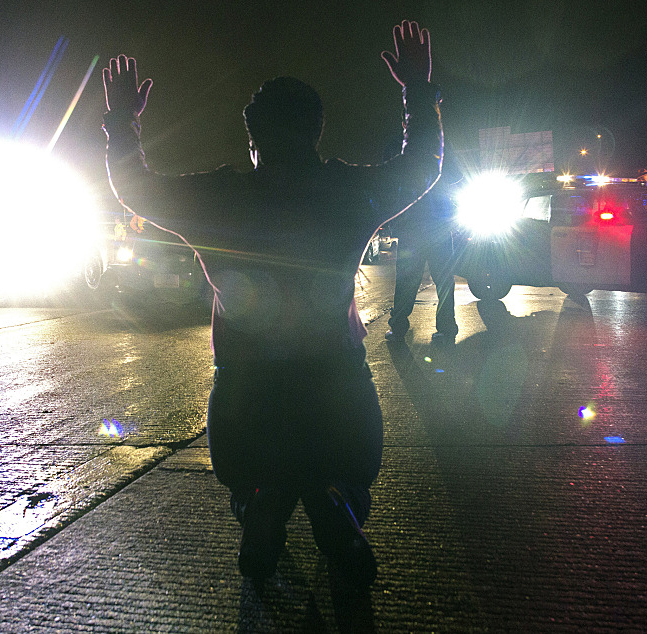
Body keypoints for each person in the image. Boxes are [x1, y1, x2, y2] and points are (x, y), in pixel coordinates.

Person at [101, 20, 442, 589]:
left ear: (251, 138)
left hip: (244, 391)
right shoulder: (348, 193)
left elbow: (134, 186)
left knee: (252, 478)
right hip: (334, 382)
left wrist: (121, 122)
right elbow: (421, 166)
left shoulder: (219, 197)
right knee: (347, 473)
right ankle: (338, 505)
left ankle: (259, 503)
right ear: (317, 132)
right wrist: (417, 91)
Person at [385, 146, 461, 345]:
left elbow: (393, 188)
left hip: (413, 228)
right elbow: (456, 177)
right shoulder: (441, 150)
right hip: (439, 228)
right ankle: (446, 329)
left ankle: (398, 327)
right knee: (444, 281)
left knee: (406, 281)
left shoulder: (406, 153)